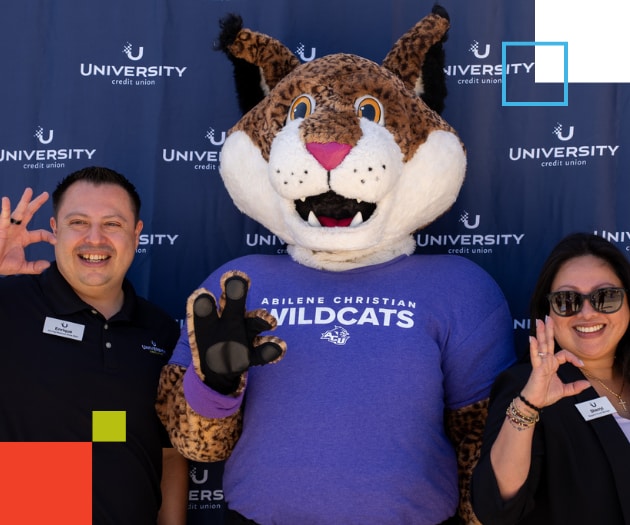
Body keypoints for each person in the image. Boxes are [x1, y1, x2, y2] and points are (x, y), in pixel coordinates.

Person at [0, 166, 188, 525]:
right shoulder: (8, 306)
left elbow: (167, 454)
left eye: (113, 225)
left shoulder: (161, 330)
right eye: (79, 222)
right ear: (54, 231)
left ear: (136, 234)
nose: (95, 239)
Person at [471, 232, 630, 524]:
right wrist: (529, 405)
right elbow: (496, 506)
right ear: (548, 312)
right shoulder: (526, 386)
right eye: (567, 300)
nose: (587, 312)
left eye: (606, 297)